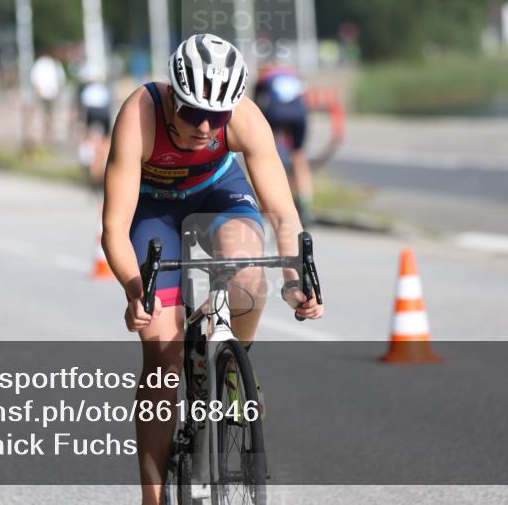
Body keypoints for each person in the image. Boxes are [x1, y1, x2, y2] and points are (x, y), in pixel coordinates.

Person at [101, 33, 324, 504]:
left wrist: (295, 281)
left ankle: (232, 365)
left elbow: (284, 215)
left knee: (246, 270)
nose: (205, 127)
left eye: (217, 117)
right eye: (193, 113)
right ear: (172, 97)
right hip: (154, 209)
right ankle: (153, 497)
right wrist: (135, 289)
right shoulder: (138, 115)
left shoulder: (246, 117)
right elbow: (114, 230)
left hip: (217, 192)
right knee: (163, 360)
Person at [254, 59, 314, 223]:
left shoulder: (265, 76)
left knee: (268, 155)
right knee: (298, 156)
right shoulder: (293, 73)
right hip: (300, 115)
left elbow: (256, 105)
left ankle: (272, 200)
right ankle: (305, 204)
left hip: (276, 113)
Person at [75, 64, 113, 186]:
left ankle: (89, 162)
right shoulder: (104, 88)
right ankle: (104, 160)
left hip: (91, 112)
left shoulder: (87, 89)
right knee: (106, 138)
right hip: (103, 112)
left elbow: (83, 107)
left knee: (89, 137)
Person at [29, 54, 66, 144]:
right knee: (43, 114)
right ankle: (43, 134)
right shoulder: (42, 63)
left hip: (51, 94)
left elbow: (60, 79)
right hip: (43, 94)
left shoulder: (54, 64)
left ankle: (48, 133)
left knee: (49, 115)